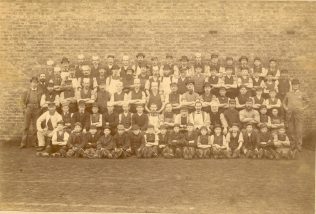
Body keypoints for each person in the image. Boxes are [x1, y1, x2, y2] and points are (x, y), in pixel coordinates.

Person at [282, 79, 310, 151]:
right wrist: (286, 108)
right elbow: (284, 103)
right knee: (291, 130)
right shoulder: (288, 93)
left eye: (296, 84)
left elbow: (308, 102)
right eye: (294, 85)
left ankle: (299, 145)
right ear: (292, 85)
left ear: (298, 85)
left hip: (299, 114)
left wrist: (303, 109)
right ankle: (292, 144)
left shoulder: (302, 93)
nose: (295, 86)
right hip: (290, 114)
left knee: (299, 130)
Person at [20, 77, 43, 148]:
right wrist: (24, 109)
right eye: (33, 82)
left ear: (37, 83)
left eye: (36, 82)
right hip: (28, 109)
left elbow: (42, 101)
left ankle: (34, 143)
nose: (34, 84)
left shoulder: (40, 92)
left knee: (35, 127)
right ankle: (23, 143)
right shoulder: (26, 91)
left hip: (36, 109)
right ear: (30, 83)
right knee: (26, 126)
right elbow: (22, 101)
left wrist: (40, 109)